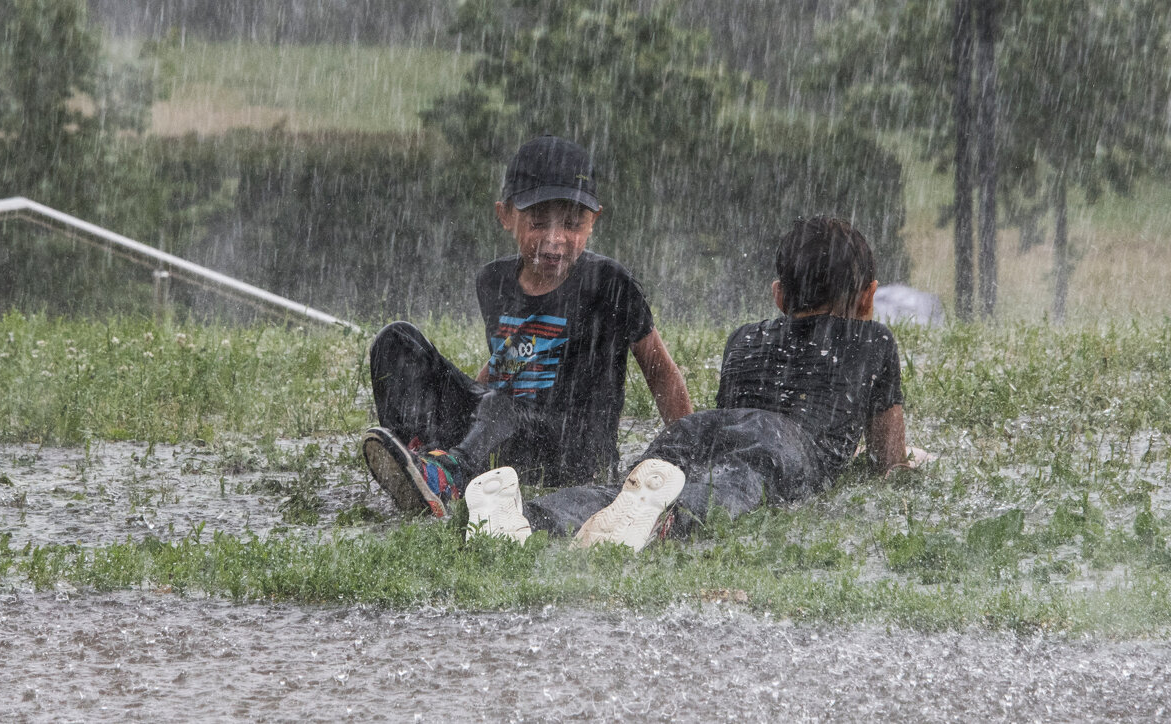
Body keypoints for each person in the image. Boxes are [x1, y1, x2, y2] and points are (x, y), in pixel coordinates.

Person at [466, 215, 927, 551]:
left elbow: (732, 425)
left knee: (629, 488)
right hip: (783, 443)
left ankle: (530, 517)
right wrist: (903, 465)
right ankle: (662, 524)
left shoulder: (745, 338)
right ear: (869, 295)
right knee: (729, 486)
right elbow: (889, 460)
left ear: (779, 295)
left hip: (702, 427)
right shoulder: (873, 340)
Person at [362, 134, 692, 519]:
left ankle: (450, 476)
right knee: (397, 340)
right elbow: (507, 360)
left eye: (572, 224)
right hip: (506, 430)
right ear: (505, 215)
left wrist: (684, 461)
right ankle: (419, 466)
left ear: (594, 220)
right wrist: (469, 406)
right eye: (537, 224)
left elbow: (662, 373)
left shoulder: (607, 283)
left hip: (571, 452)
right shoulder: (493, 281)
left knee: (500, 405)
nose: (554, 242)